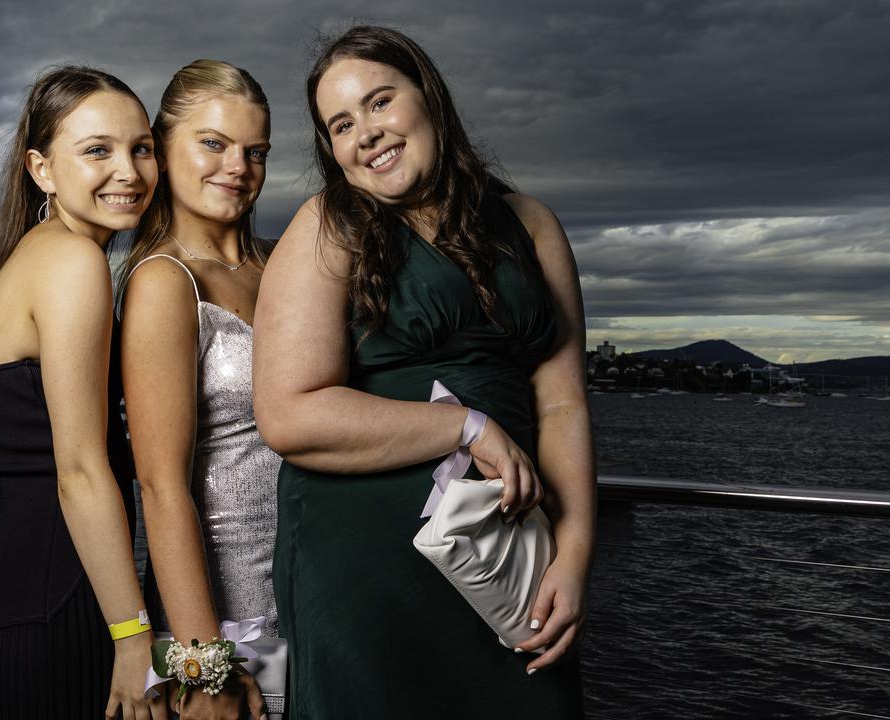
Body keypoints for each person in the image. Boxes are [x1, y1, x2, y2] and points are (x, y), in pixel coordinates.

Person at [253, 26, 594, 718]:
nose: (365, 134)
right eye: (341, 125)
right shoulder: (328, 226)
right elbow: (288, 415)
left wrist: (576, 552)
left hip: (507, 553)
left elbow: (563, 407)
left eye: (380, 103)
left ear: (429, 98)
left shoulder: (530, 224)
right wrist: (464, 428)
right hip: (365, 569)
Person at [0, 66, 164, 720]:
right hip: (55, 611)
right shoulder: (72, 263)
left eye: (142, 148)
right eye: (97, 150)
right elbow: (77, 471)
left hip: (22, 594)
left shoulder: (37, 254)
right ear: (41, 169)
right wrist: (132, 638)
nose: (128, 170)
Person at [118, 59, 276, 720]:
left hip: (315, 587)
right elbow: (159, 485)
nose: (236, 166)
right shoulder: (164, 281)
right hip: (222, 615)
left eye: (255, 151)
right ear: (163, 147)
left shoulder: (283, 264)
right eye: (213, 143)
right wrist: (204, 668)